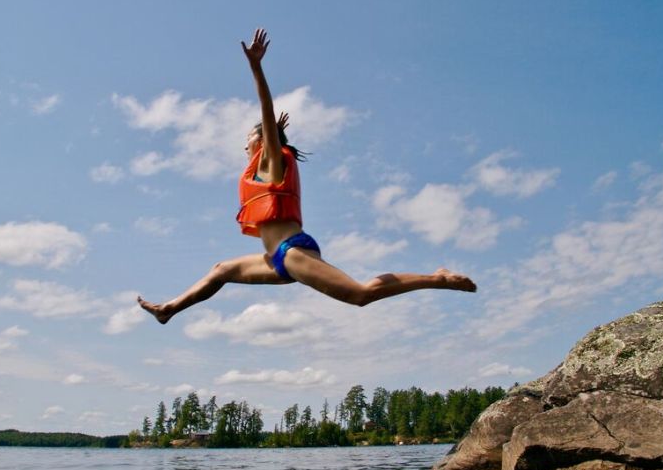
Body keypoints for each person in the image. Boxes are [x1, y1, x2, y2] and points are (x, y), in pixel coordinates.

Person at [138, 28, 476, 325]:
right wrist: (276, 132)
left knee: (360, 294)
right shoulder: (266, 162)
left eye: (248, 138)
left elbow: (265, 113)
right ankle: (168, 309)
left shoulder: (271, 157)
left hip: (291, 252)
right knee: (221, 270)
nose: (244, 144)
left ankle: (438, 278)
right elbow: (269, 130)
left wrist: (256, 68)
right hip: (274, 260)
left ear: (262, 140)